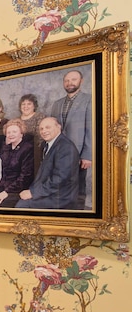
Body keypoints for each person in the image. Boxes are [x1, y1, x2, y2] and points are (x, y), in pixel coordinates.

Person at [49, 70, 92, 209]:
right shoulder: (57, 104)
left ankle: (78, 214)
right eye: (67, 80)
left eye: (73, 79)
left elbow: (91, 128)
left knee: (78, 186)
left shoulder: (89, 100)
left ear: (81, 81)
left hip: (78, 152)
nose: (70, 83)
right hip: (59, 152)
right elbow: (52, 129)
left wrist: (87, 155)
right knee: (60, 185)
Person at [16, 117, 80, 209]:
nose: (44, 131)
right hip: (51, 192)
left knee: (22, 205)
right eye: (41, 129)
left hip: (61, 197)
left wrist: (33, 192)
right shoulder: (48, 145)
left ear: (59, 127)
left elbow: (59, 179)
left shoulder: (66, 147)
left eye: (47, 127)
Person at [0, 119, 34, 208]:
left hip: (17, 189)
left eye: (14, 132)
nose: (11, 134)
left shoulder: (27, 148)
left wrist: (6, 192)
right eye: (9, 132)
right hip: (3, 184)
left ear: (21, 133)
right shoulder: (6, 147)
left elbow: (25, 177)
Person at [18, 94, 45, 174]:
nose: (26, 106)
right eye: (23, 104)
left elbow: (41, 137)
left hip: (35, 153)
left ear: (34, 106)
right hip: (19, 155)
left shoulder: (40, 117)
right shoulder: (16, 120)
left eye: (29, 104)